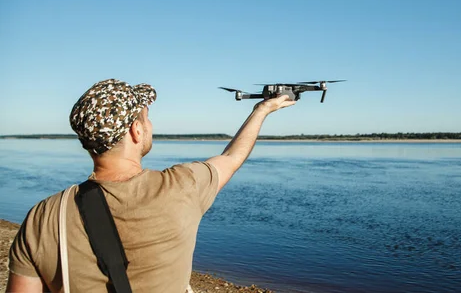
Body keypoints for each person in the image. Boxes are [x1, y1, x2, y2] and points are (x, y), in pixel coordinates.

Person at [7, 78, 295, 293]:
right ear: (136, 130)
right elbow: (232, 157)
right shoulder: (182, 187)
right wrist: (262, 111)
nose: (150, 124)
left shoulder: (43, 216)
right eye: (147, 118)